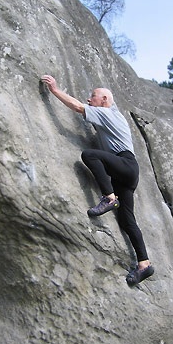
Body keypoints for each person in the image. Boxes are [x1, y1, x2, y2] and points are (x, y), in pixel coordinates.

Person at [40, 74, 154, 285]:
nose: (89, 98)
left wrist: (55, 90)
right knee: (127, 221)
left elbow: (77, 107)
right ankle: (144, 264)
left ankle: (109, 198)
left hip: (125, 164)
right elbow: (82, 106)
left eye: (93, 96)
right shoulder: (109, 114)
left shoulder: (107, 113)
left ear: (104, 101)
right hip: (126, 173)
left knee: (90, 155)